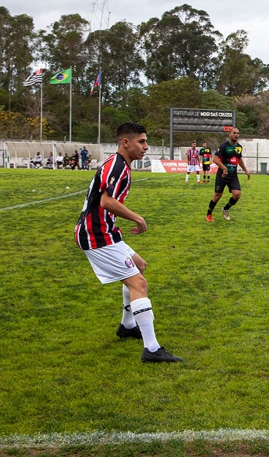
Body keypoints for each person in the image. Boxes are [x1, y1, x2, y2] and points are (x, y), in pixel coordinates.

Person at [74, 122, 182, 363]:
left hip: (106, 231)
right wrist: (138, 218)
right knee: (139, 284)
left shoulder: (119, 164)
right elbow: (105, 201)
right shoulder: (117, 165)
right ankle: (152, 349)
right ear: (126, 142)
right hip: (96, 235)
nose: (146, 146)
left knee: (139, 266)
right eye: (141, 141)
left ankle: (127, 325)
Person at [206, 127, 251, 222]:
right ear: (230, 134)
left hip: (233, 175)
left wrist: (246, 170)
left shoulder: (239, 147)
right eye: (234, 133)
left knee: (237, 194)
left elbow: (239, 159)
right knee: (218, 195)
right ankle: (209, 214)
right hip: (222, 175)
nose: (236, 135)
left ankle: (226, 208)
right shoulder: (224, 146)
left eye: (238, 133)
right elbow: (215, 159)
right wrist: (224, 168)